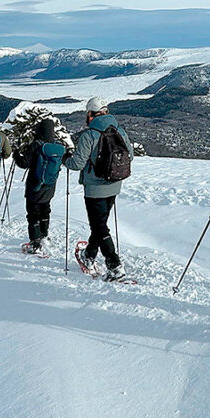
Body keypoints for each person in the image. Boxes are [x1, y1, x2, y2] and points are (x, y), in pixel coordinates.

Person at [63, 97, 133, 281]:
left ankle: (114, 265)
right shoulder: (119, 131)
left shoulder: (89, 135)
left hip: (94, 188)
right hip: (115, 184)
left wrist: (65, 159)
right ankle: (89, 255)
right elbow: (130, 156)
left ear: (91, 114)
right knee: (99, 224)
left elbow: (77, 164)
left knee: (100, 227)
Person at [13, 117, 65, 252]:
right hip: (49, 187)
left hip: (34, 185)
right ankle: (44, 235)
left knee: (33, 212)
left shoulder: (37, 145)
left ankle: (35, 241)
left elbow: (24, 163)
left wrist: (16, 154)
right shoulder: (56, 146)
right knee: (45, 210)